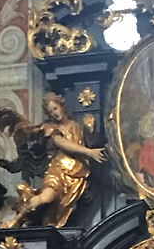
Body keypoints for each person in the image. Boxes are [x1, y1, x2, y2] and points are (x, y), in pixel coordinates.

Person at [10, 92, 106, 228]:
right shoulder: (52, 129)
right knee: (47, 197)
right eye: (51, 111)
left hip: (77, 174)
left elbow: (93, 142)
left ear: (61, 106)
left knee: (57, 212)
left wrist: (91, 129)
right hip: (59, 170)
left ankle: (48, 221)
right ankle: (17, 219)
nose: (54, 113)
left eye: (55, 108)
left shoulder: (78, 125)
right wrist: (89, 152)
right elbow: (63, 143)